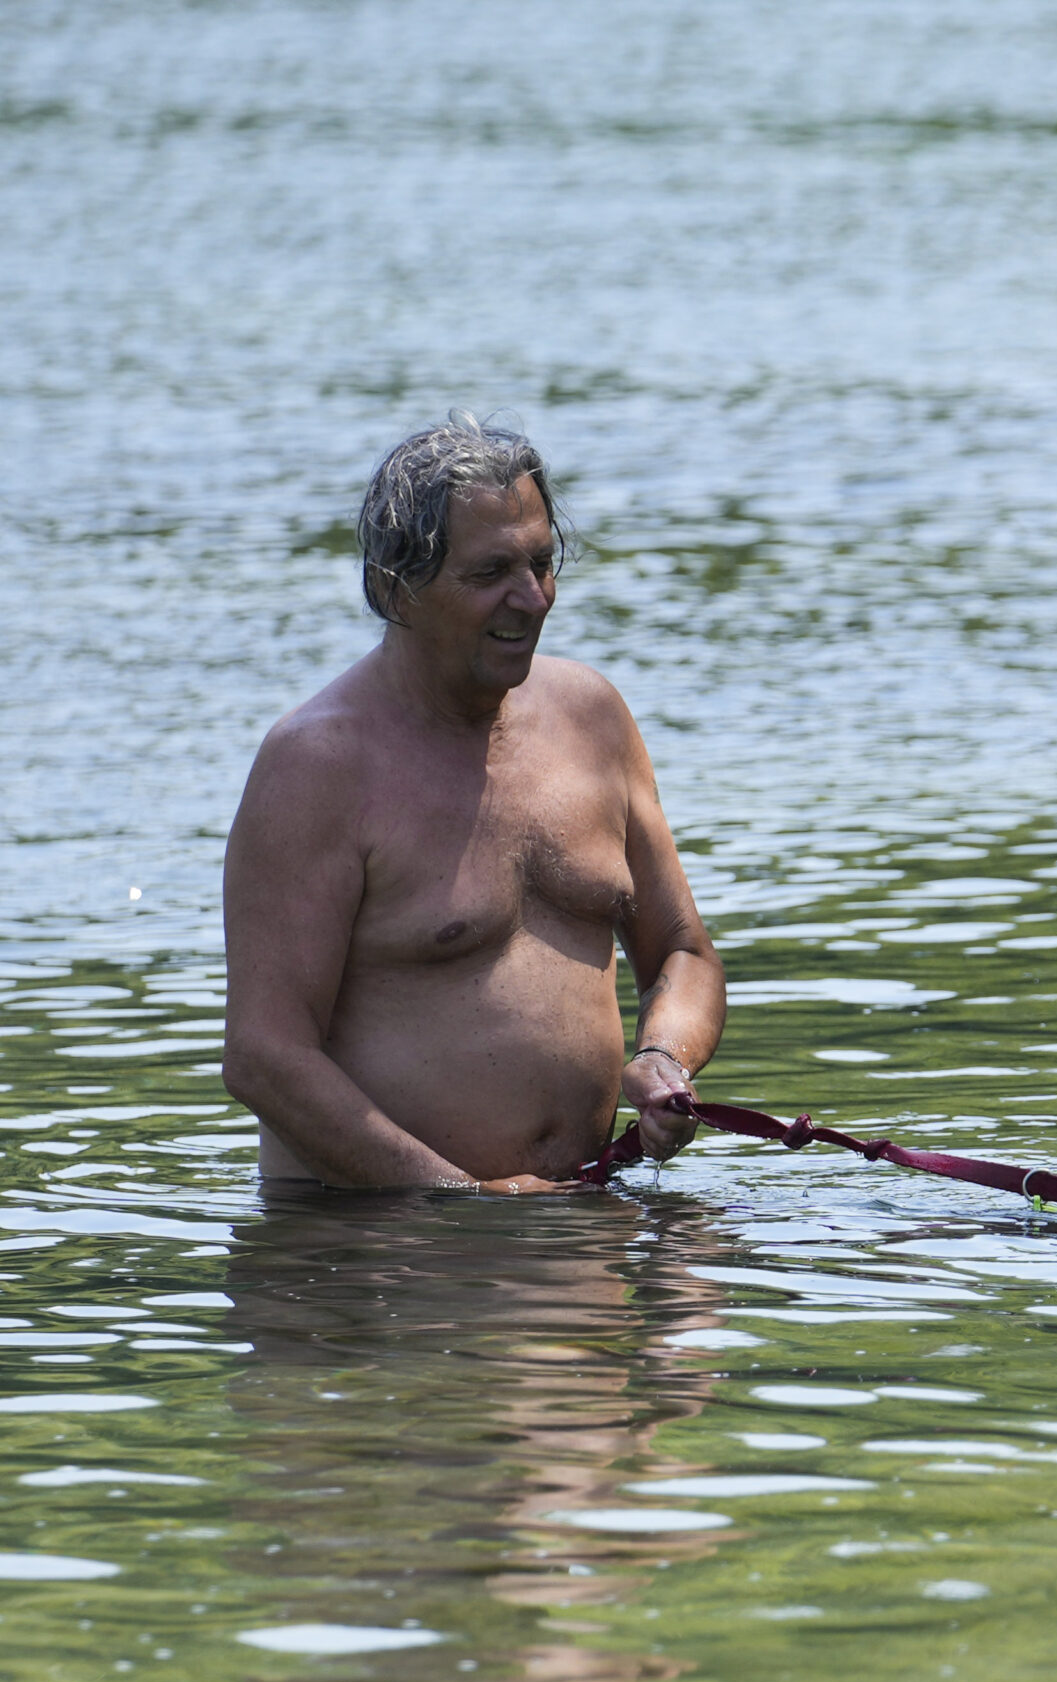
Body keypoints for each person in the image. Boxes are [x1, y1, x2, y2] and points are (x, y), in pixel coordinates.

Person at [222, 413, 724, 1192]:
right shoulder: (315, 768)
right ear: (398, 590)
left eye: (542, 563)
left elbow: (684, 953)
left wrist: (665, 1060)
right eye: (491, 574)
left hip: (582, 1209)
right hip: (377, 1249)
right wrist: (460, 1204)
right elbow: (265, 1055)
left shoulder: (593, 716)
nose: (532, 598)